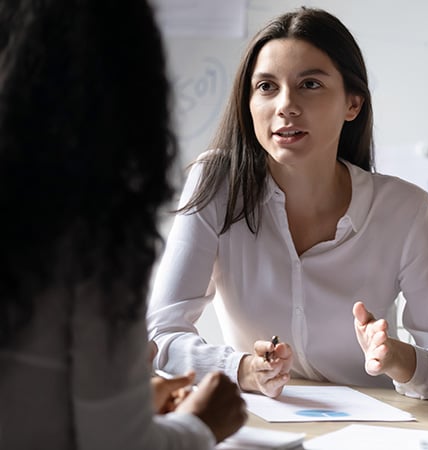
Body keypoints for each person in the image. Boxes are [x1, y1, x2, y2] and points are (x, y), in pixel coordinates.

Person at [146, 6, 428, 400]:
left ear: (352, 104)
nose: (285, 105)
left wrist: (398, 358)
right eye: (266, 87)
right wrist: (241, 368)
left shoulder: (405, 210)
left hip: (374, 432)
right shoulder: (216, 185)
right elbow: (159, 335)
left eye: (309, 84)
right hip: (263, 426)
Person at [0, 0, 247, 448]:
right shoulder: (95, 235)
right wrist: (202, 423)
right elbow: (120, 442)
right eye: (265, 87)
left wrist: (125, 399)